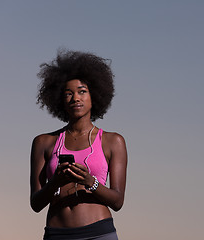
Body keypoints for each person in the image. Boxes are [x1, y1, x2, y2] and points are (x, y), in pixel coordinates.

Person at [30, 50, 128, 240]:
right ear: (59, 99)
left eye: (82, 91)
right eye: (68, 93)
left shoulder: (113, 141)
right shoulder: (43, 142)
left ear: (95, 95)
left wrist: (90, 181)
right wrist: (55, 183)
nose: (76, 98)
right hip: (56, 234)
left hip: (99, 233)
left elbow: (118, 201)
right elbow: (35, 203)